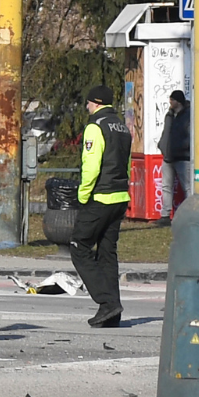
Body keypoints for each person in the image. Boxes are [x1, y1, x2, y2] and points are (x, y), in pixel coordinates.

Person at [74, 85, 132, 328]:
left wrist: (83, 195)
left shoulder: (95, 127)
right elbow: (126, 165)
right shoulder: (122, 128)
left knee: (79, 246)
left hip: (100, 197)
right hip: (119, 197)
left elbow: (91, 166)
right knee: (107, 253)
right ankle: (112, 312)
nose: (86, 107)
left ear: (95, 103)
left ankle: (107, 302)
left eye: (88, 103)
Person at [157, 89, 191, 222]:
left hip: (183, 157)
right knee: (166, 187)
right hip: (168, 157)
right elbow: (166, 132)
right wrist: (162, 145)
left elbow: (190, 135)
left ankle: (191, 214)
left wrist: (181, 147)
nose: (170, 102)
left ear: (178, 101)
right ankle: (165, 215)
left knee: (187, 187)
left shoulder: (188, 115)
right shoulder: (169, 115)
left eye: (172, 100)